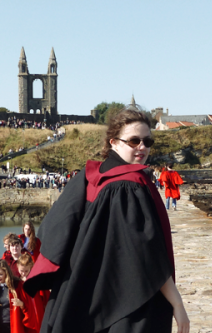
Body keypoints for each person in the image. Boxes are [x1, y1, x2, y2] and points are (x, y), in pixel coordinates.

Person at [24, 109, 189, 333]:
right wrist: (177, 303)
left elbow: (55, 229)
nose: (142, 147)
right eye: (134, 141)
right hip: (128, 301)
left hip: (82, 295)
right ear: (114, 142)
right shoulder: (128, 185)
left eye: (147, 141)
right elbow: (147, 254)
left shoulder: (91, 176)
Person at [0, 259, 36, 333]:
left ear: (6, 272)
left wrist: (21, 304)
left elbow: (29, 309)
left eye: (0, 274)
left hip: (14, 326)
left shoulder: (18, 285)